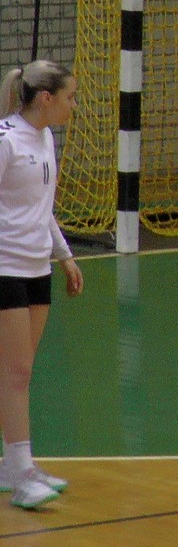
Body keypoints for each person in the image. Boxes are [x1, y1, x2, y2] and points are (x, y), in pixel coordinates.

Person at [0, 60, 83, 510]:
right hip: (5, 268)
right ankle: (23, 474)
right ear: (46, 98)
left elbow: (42, 206)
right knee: (15, 374)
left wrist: (63, 254)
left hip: (37, 268)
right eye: (70, 97)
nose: (74, 105)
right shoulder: (6, 141)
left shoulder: (46, 137)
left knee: (18, 372)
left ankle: (10, 465)